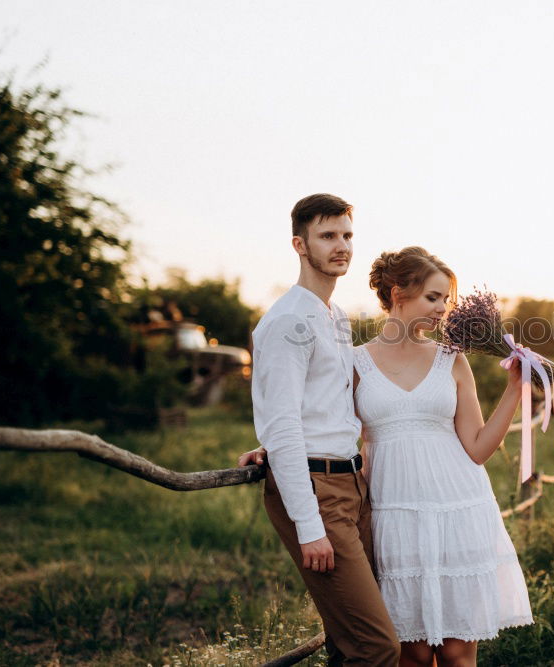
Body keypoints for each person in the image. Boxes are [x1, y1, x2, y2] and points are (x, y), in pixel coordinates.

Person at [238, 193, 400, 666]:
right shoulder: (288, 321)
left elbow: (318, 407)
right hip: (316, 492)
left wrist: (272, 440)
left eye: (347, 235)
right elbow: (285, 422)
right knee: (377, 648)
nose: (341, 245)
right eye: (328, 236)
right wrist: (310, 528)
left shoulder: (336, 317)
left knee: (348, 642)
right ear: (299, 244)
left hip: (350, 482)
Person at [354, 246, 534, 667]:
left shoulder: (452, 360)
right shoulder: (354, 363)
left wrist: (514, 388)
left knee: (456, 652)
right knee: (411, 653)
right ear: (398, 293)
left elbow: (476, 448)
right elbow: (326, 428)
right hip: (394, 515)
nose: (443, 310)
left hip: (458, 509)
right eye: (433, 298)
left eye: (446, 300)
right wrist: (269, 447)